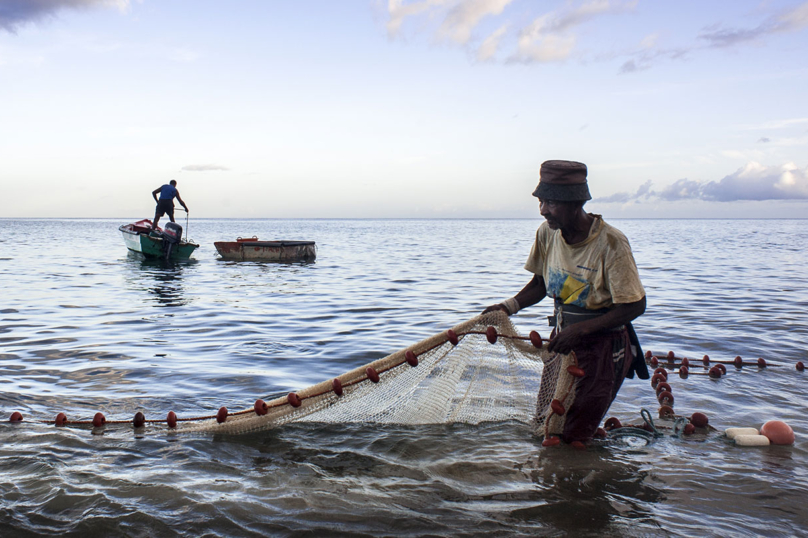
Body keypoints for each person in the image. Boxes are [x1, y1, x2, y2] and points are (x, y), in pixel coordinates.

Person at [484, 160, 648, 443]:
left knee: (575, 435)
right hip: (562, 341)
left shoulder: (611, 243)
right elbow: (540, 284)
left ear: (576, 204)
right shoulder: (547, 233)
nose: (544, 210)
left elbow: (634, 306)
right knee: (548, 423)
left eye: (552, 203)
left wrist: (580, 331)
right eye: (541, 201)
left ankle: (581, 481)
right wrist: (508, 306)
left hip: (603, 349)